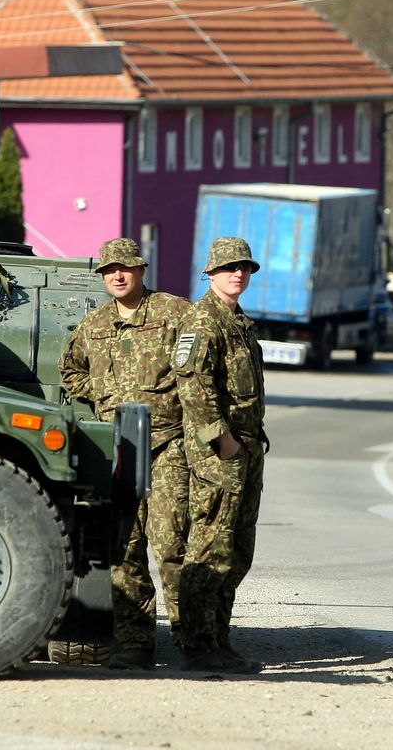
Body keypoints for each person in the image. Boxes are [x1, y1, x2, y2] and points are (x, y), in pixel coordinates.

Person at [59, 237, 191, 670]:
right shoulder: (94, 324)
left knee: (171, 545)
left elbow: (202, 362)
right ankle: (134, 644)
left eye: (126, 269)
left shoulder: (174, 313)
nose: (117, 276)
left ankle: (194, 641)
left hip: (167, 443)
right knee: (124, 550)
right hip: (119, 449)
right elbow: (69, 369)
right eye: (110, 270)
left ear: (141, 271)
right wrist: (100, 392)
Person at [172, 237, 268, 675]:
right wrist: (222, 440)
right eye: (229, 268)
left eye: (244, 267)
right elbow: (192, 384)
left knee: (237, 549)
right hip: (219, 453)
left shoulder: (239, 322)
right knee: (209, 547)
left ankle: (219, 638)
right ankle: (196, 645)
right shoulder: (201, 320)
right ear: (209, 274)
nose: (238, 274)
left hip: (247, 448)